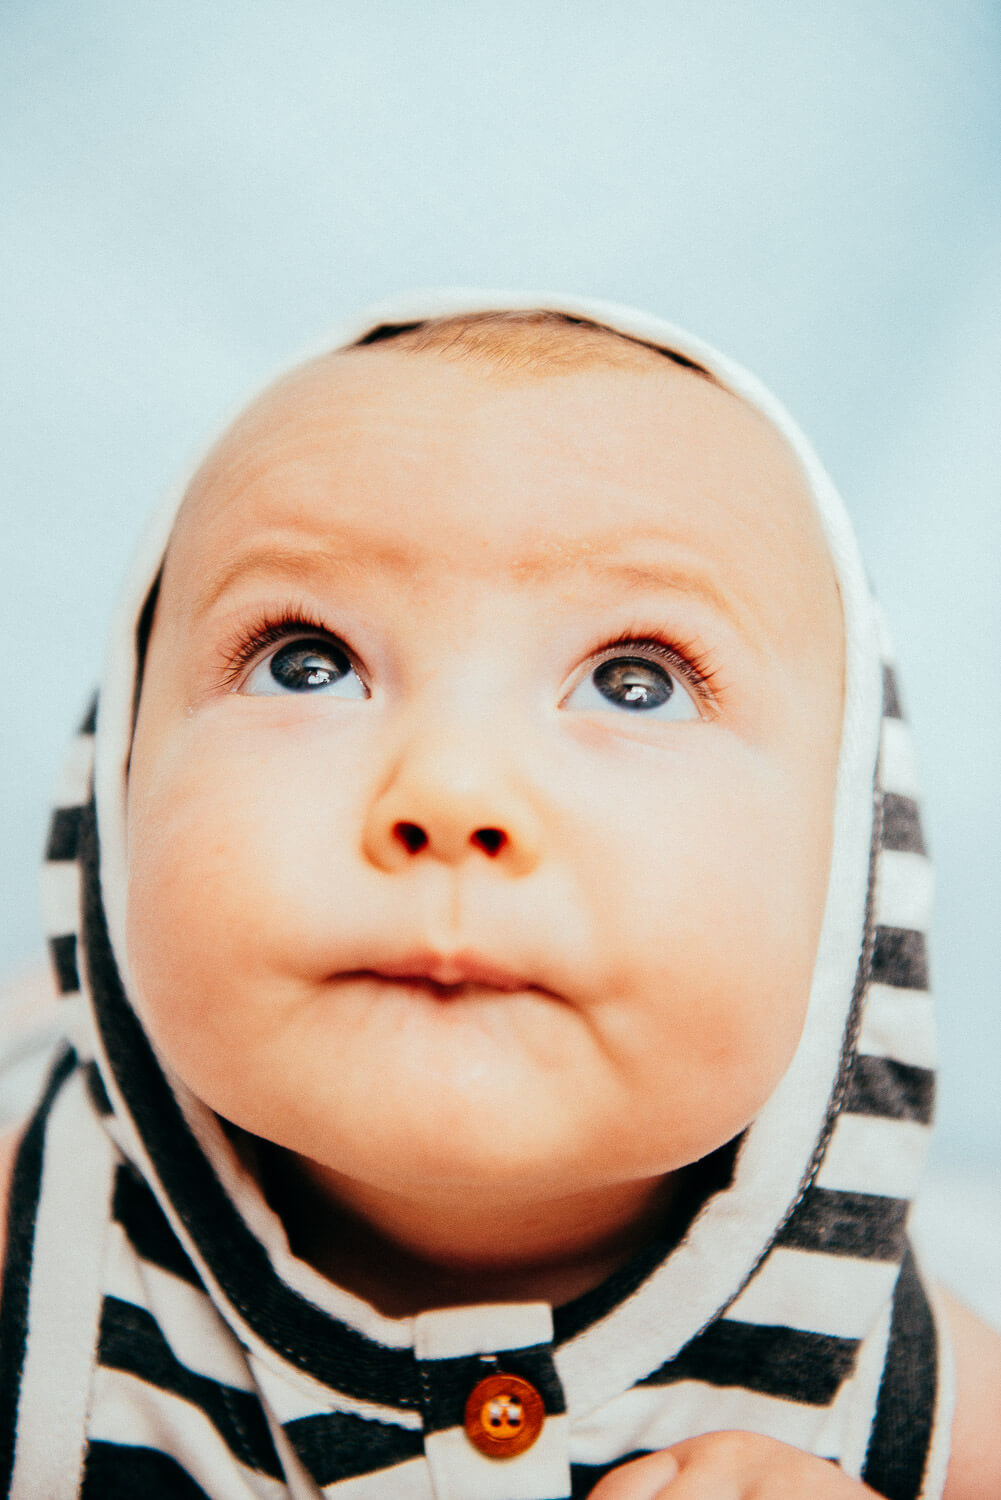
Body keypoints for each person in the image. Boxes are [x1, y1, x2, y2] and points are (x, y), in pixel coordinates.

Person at [0, 294, 998, 1499]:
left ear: (851, 878)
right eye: (305, 663)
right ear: (109, 804)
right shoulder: (29, 1257)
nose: (454, 791)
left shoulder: (903, 1405)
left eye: (635, 683)